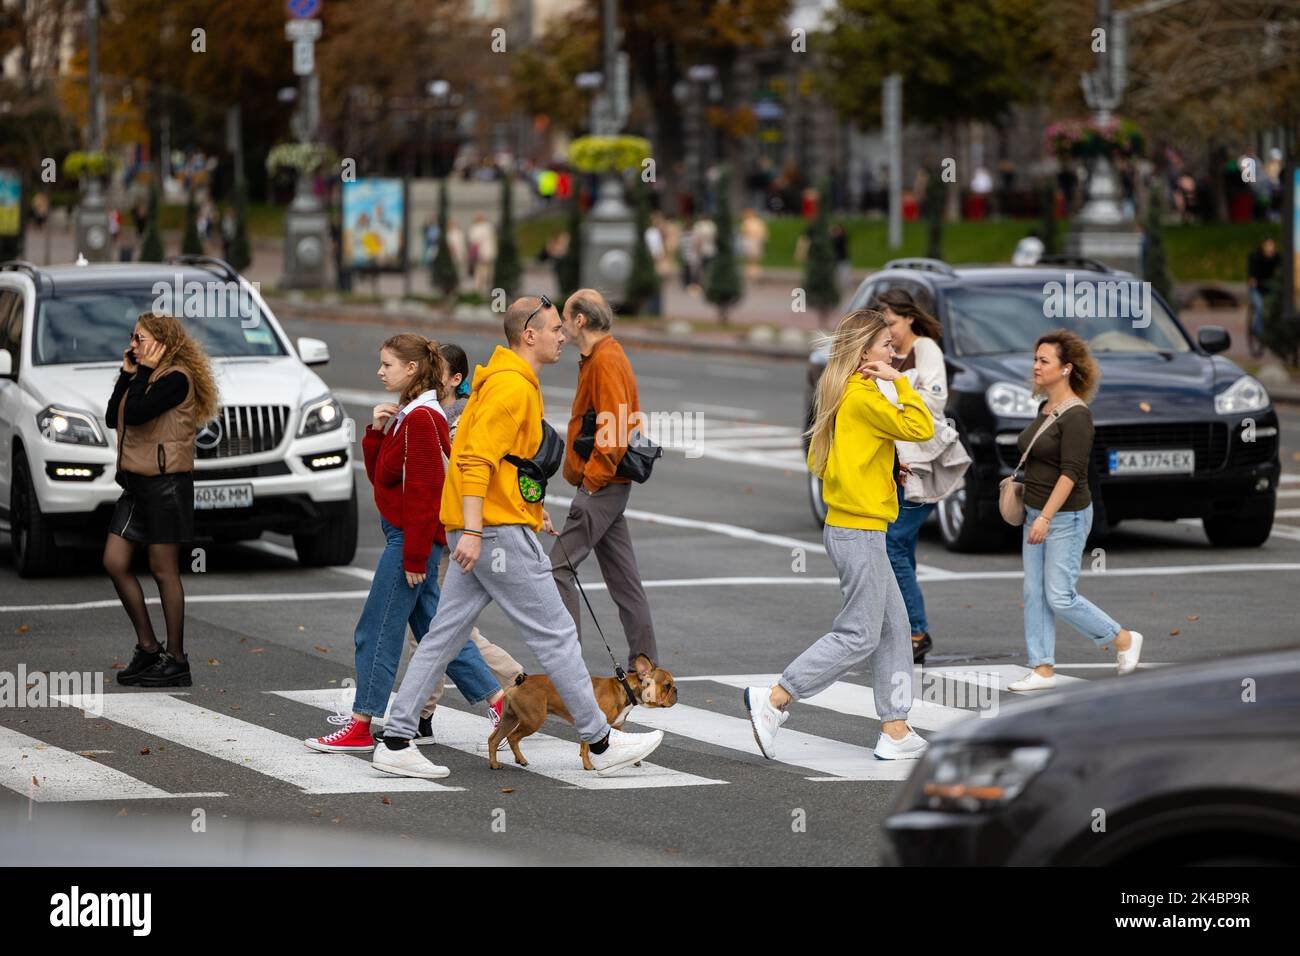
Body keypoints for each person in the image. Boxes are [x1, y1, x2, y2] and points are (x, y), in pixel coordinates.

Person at [370, 296, 665, 779]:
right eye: (553, 329)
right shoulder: (511, 386)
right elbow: (473, 460)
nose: (562, 335)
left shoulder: (504, 381)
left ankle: (397, 738)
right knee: (557, 636)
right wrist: (474, 529)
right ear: (529, 335)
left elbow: (502, 463)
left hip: (487, 527)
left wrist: (528, 510)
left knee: (443, 636)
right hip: (493, 535)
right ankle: (600, 740)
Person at [744, 309, 935, 761]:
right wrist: (900, 382)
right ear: (865, 352)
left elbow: (821, 460)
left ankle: (895, 728)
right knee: (859, 633)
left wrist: (877, 467)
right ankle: (776, 697)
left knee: (894, 629)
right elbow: (922, 427)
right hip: (859, 530)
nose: (894, 351)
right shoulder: (865, 396)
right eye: (886, 345)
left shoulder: (842, 390)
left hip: (855, 526)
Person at [305, 335, 506, 753]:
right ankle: (500, 702)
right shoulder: (412, 414)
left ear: (412, 369)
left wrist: (414, 555)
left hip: (409, 542)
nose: (380, 372)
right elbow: (384, 481)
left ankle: (362, 724)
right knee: (436, 631)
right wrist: (377, 433)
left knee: (376, 630)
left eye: (388, 365)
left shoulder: (421, 418)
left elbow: (424, 493)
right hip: (410, 539)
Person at [1007, 330, 1144, 691]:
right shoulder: (1044, 409)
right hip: (1035, 512)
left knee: (1059, 595)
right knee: (1034, 594)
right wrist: (1035, 512)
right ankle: (1042, 669)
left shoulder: (1077, 416)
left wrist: (1046, 517)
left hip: (1064, 517)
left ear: (1066, 368)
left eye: (1044, 360)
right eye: (1035, 359)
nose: (1036, 366)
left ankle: (1123, 639)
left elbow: (1071, 473)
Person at [407, 343, 527, 732]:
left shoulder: (457, 421)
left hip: (454, 533)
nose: (427, 376)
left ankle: (513, 683)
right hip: (447, 531)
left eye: (436, 371)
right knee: (434, 625)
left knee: (439, 627)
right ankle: (423, 714)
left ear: (456, 379)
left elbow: (459, 476)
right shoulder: (432, 412)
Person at [104, 313, 219, 688]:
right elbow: (113, 417)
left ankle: (177, 659)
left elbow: (137, 415)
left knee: (163, 569)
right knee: (114, 561)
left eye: (140, 339)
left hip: (166, 486)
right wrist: (126, 374)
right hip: (136, 484)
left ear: (161, 343)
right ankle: (149, 647)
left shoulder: (175, 379)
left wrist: (140, 374)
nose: (132, 345)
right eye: (132, 337)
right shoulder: (144, 375)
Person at [550, 289, 658, 668]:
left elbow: (613, 428)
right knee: (625, 581)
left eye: (564, 318)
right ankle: (644, 667)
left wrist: (591, 481)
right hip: (610, 484)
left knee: (557, 568)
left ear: (580, 320)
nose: (561, 327)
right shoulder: (602, 356)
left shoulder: (605, 360)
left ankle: (568, 667)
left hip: (603, 485)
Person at [873, 289, 951, 663]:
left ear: (909, 317)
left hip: (922, 463)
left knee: (893, 544)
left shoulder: (925, 349)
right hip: (899, 462)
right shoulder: (888, 354)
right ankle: (906, 628)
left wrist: (897, 389)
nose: (889, 332)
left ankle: (916, 630)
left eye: (892, 323)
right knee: (901, 547)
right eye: (883, 326)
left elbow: (935, 401)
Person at [1246, 237, 1280, 344]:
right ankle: (1258, 331)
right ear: (1263, 247)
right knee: (1260, 307)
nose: (1270, 248)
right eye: (1268, 246)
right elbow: (1252, 274)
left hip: (1270, 287)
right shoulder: (1255, 257)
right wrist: (1252, 280)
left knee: (1276, 307)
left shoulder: (1277, 257)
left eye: (1272, 246)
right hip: (1257, 288)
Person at [467, 213, 497, 297]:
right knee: (486, 272)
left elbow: (474, 240)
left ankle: (480, 290)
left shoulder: (476, 228)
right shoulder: (488, 227)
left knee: (481, 272)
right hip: (487, 253)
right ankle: (485, 289)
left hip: (481, 253)